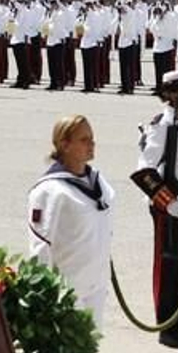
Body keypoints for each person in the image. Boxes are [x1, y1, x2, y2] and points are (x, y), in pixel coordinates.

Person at [133, 69, 178, 348]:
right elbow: (144, 172)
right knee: (168, 266)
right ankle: (168, 327)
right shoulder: (161, 126)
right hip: (170, 204)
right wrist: (168, 202)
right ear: (174, 95)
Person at [28, 114, 116, 320]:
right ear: (64, 145)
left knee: (92, 349)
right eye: (84, 140)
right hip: (66, 293)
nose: (92, 144)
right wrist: (43, 297)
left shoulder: (99, 182)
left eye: (92, 139)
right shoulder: (50, 191)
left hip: (96, 287)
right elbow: (40, 248)